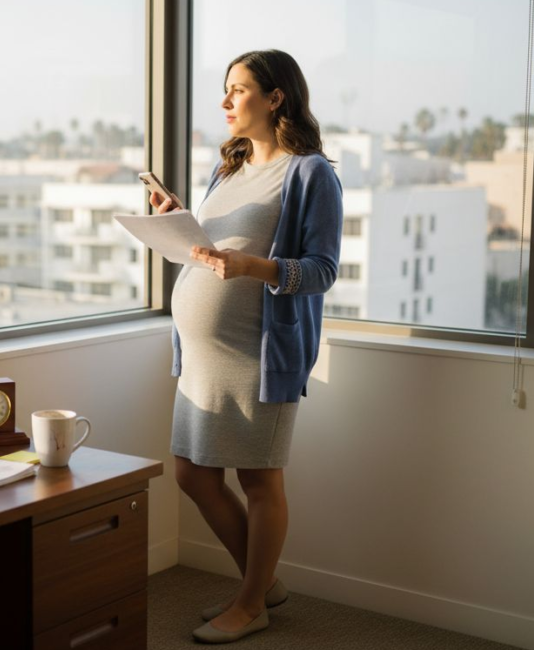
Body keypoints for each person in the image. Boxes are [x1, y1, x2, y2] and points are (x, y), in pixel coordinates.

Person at [153, 49, 342, 644]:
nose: (226, 101)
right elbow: (212, 248)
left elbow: (321, 270)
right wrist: (179, 222)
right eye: (226, 89)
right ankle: (260, 585)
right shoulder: (227, 170)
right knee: (191, 474)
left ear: (275, 97)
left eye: (238, 90)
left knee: (260, 483)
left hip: (258, 355)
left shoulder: (311, 174)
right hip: (204, 358)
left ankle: (251, 603)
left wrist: (254, 267)